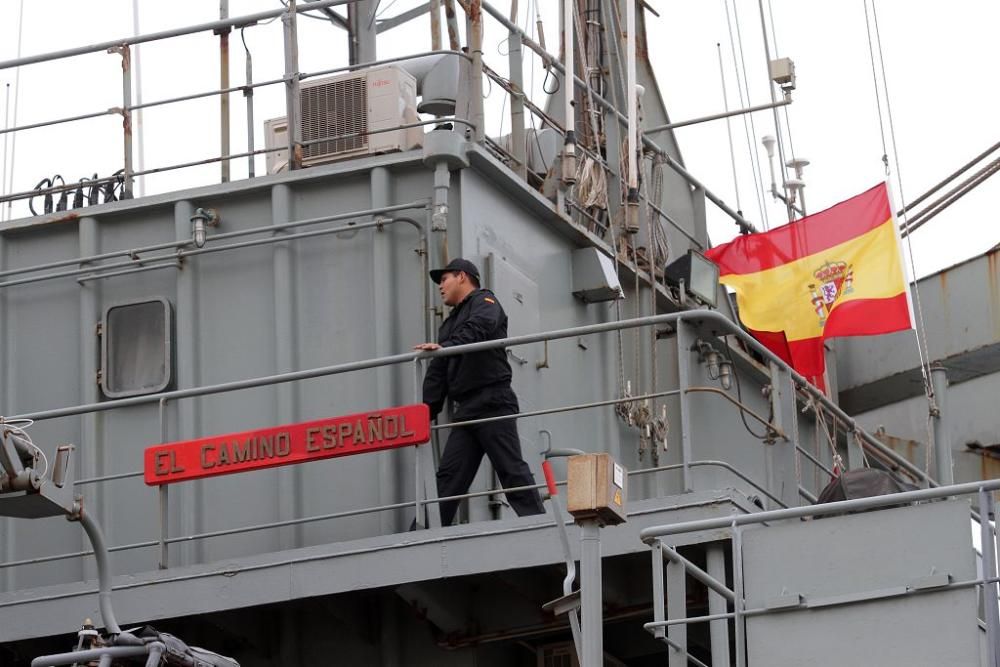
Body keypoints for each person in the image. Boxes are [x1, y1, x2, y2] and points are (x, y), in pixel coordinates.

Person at [414, 258, 546, 526]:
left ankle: (539, 528)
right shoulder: (449, 325)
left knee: (510, 468)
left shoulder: (485, 302)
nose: (440, 286)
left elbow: (480, 328)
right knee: (449, 476)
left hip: (493, 400)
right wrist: (425, 412)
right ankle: (421, 535)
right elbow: (438, 370)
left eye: (444, 279)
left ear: (462, 276)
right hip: (466, 410)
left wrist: (448, 347)